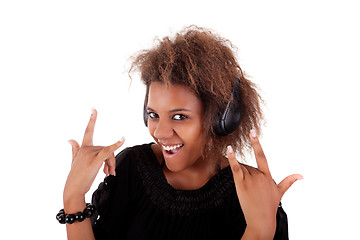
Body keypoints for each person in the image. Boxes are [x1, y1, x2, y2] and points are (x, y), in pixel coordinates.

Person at [60, 26, 303, 239]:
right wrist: (73, 196)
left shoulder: (252, 193)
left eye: (179, 117)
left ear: (221, 119)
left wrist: (259, 232)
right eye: (153, 114)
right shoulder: (133, 168)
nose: (161, 132)